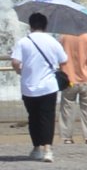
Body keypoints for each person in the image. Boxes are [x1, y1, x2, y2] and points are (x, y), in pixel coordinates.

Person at [13, 9, 66, 161]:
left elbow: (15, 62)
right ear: (45, 26)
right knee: (47, 117)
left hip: (28, 86)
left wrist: (19, 71)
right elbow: (64, 60)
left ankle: (36, 148)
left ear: (30, 25)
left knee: (33, 117)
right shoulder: (53, 41)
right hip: (49, 86)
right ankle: (48, 150)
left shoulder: (23, 41)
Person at [59, 23, 87, 143]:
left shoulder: (63, 38)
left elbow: (58, 57)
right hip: (85, 79)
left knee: (66, 109)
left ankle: (67, 137)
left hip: (68, 80)